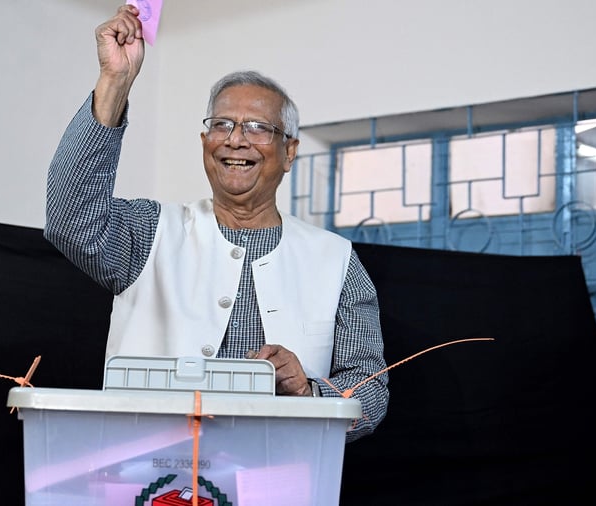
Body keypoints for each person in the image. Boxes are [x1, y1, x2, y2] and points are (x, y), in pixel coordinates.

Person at [44, 5, 389, 442]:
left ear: (290, 152)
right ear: (205, 142)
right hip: (147, 464)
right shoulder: (151, 231)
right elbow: (69, 218)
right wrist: (115, 81)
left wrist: (310, 392)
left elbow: (369, 389)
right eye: (222, 124)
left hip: (276, 467)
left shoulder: (335, 260)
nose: (235, 139)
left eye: (258, 127)